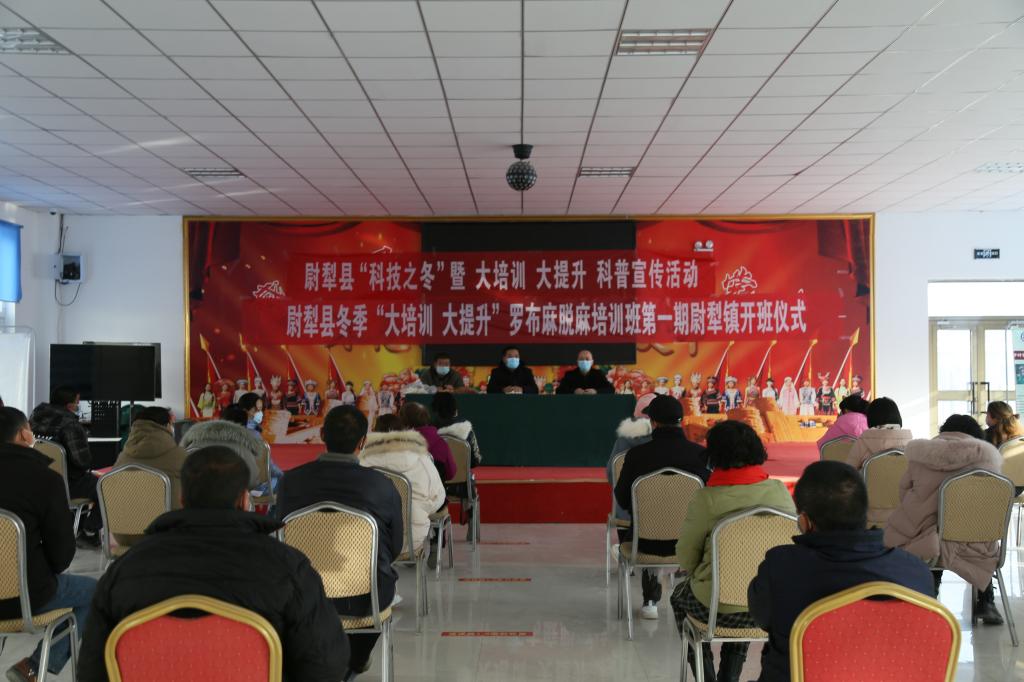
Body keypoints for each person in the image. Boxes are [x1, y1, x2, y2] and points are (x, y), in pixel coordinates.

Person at [78, 446, 348, 682]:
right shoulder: (288, 567)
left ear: (182, 500)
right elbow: (325, 667)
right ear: (245, 500)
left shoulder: (124, 570)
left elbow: (92, 671)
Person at [748, 461, 934, 682]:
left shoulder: (781, 568)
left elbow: (762, 618)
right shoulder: (916, 572)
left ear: (805, 522)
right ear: (864, 513)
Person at [276, 406, 401, 679]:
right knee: (385, 580)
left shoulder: (289, 482)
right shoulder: (381, 485)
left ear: (322, 434)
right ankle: (354, 660)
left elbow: (278, 543)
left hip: (300, 597)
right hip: (364, 599)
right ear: (363, 442)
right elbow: (395, 548)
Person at [670, 420, 795, 682]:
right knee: (748, 589)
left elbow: (686, 558)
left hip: (716, 608)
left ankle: (706, 677)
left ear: (714, 455)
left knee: (679, 597)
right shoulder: (779, 492)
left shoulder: (707, 498)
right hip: (766, 607)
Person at [0, 407, 96, 682]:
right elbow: (61, 556)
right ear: (23, 434)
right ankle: (33, 667)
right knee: (96, 591)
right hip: (25, 597)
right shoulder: (45, 479)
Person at [884, 414, 1005, 625]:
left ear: (944, 431)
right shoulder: (987, 459)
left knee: (929, 532)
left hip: (927, 542)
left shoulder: (920, 455)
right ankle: (986, 601)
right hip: (974, 543)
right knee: (976, 533)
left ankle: (930, 589)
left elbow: (903, 493)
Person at [615, 395, 709, 621]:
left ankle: (650, 601)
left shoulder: (637, 455)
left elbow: (623, 500)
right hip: (691, 545)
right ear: (681, 420)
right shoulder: (700, 455)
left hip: (644, 545)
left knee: (645, 526)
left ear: (653, 422)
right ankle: (691, 600)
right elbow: (708, 500)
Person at [359, 414, 445, 554]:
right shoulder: (422, 458)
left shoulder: (363, 460)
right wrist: (423, 510)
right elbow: (438, 496)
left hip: (372, 541)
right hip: (411, 538)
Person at [30, 386, 101, 544]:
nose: (78, 405)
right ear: (69, 406)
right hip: (66, 484)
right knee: (106, 486)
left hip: (36, 482)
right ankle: (89, 531)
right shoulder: (71, 425)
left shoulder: (34, 419)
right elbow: (82, 461)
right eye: (77, 402)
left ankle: (76, 527)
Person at [114, 406, 188, 512]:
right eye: (171, 423)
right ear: (166, 426)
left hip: (126, 518)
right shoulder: (179, 455)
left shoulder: (122, 457)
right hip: (168, 519)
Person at [179, 405, 263, 488]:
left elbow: (180, 473)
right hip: (228, 495)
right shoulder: (243, 449)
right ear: (245, 426)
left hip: (194, 494)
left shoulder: (193, 443)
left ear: (221, 420)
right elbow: (252, 480)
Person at [606, 393, 656, 526]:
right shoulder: (670, 443)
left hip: (627, 516)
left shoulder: (623, 441)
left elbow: (612, 475)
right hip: (666, 516)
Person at [846, 397, 913, 471]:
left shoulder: (864, 441)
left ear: (871, 417)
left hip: (870, 479)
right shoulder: (910, 442)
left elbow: (848, 470)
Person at [399, 401, 455, 481]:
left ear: (404, 421)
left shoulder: (399, 443)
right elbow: (451, 473)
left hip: (405, 487)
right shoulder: (441, 442)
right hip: (435, 487)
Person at [432, 391, 482, 467]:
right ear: (455, 408)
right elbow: (476, 460)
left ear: (435, 409)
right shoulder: (467, 428)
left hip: (435, 474)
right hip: (463, 473)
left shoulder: (429, 430)